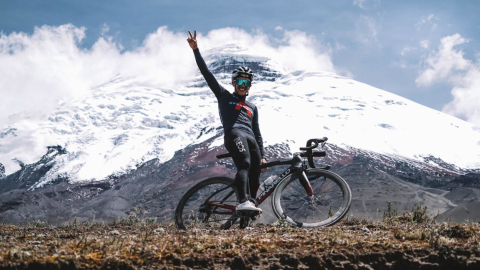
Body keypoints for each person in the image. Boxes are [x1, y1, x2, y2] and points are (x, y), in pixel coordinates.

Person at [187, 30, 267, 214]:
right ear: (233, 82)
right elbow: (207, 74)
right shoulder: (223, 96)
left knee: (256, 171)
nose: (242, 85)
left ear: (250, 86)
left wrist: (262, 155)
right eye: (239, 81)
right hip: (234, 133)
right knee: (245, 164)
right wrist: (196, 50)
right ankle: (242, 202)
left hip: (251, 138)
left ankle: (251, 205)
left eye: (246, 83)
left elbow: (258, 133)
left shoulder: (253, 107)